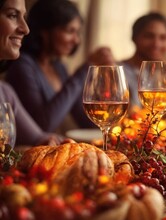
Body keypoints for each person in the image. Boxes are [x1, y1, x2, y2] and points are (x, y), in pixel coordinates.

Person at [6, 0, 115, 133]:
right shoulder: (22, 65)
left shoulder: (58, 67)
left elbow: (87, 121)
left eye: (77, 32)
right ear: (44, 31)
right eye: (70, 31)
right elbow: (43, 125)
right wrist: (87, 68)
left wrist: (105, 83)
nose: (76, 40)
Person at [0, 0, 61, 146]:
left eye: (24, 17)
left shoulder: (5, 92)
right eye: (13, 15)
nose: (25, 29)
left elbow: (41, 140)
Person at [121, 12, 166, 107]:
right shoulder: (117, 72)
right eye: (149, 36)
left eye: (163, 37)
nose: (156, 44)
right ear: (134, 38)